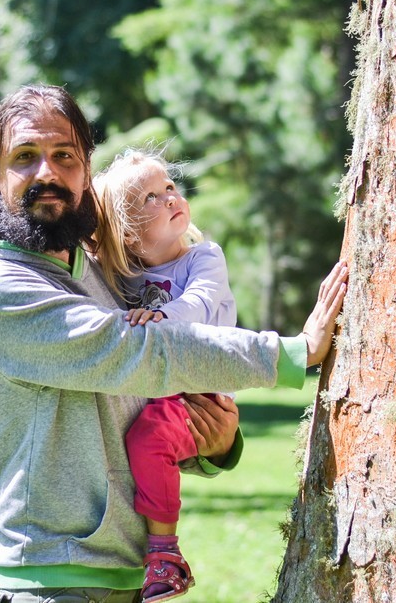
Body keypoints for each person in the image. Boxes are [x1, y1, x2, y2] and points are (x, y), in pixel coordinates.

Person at [0, 84, 348, 603]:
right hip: (48, 585)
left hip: (123, 581)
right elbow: (142, 355)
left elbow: (132, 409)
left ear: (86, 173)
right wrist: (291, 353)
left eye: (65, 155)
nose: (47, 172)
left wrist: (212, 443)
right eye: (25, 157)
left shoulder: (102, 276)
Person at [93, 146, 236, 601]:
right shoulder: (123, 280)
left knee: (148, 438)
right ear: (130, 237)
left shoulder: (203, 257)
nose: (170, 197)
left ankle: (165, 553)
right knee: (142, 439)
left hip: (200, 395)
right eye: (151, 198)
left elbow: (200, 304)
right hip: (158, 392)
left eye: (169, 187)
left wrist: (159, 318)